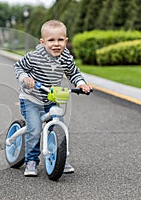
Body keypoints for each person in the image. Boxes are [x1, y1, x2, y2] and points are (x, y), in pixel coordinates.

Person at [14, 20, 92, 177]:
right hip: (32, 98)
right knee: (35, 129)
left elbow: (74, 73)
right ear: (42, 42)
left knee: (59, 128)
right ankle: (31, 160)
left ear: (66, 41)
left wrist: (82, 84)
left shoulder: (66, 58)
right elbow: (18, 67)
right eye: (51, 40)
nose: (56, 44)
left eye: (60, 40)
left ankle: (60, 159)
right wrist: (24, 78)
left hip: (52, 99)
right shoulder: (34, 57)